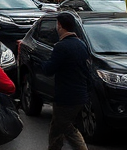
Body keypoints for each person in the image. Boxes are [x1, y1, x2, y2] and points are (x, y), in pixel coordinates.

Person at [42, 13, 90, 150]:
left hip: (66, 97)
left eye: (57, 25)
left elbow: (49, 70)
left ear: (60, 26)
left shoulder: (61, 47)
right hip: (80, 94)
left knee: (66, 127)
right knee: (57, 127)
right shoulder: (81, 45)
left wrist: (42, 62)